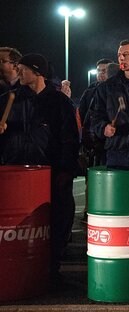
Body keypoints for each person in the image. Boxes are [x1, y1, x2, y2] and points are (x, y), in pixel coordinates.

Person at [0, 53, 79, 278]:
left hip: (50, 172)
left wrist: (65, 170)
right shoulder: (9, 99)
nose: (19, 72)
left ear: (37, 72)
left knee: (56, 219)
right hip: (18, 171)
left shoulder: (59, 102)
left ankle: (51, 265)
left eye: (23, 69)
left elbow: (70, 139)